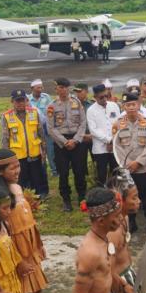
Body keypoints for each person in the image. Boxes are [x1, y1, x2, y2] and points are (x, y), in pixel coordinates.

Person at [0, 149, 48, 293]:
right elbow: (6, 232)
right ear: (0, 171)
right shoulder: (2, 195)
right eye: (12, 167)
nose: (17, 170)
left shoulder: (16, 187)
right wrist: (19, 259)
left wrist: (37, 244)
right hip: (17, 251)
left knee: (37, 287)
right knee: (25, 291)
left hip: (29, 246)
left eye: (18, 165)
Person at [114, 90, 146, 235]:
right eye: (128, 105)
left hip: (144, 167)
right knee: (127, 197)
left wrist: (138, 162)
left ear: (138, 105)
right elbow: (116, 146)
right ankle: (131, 222)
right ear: (123, 107)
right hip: (125, 168)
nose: (131, 107)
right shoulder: (118, 124)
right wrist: (127, 163)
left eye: (133, 104)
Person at [48, 77, 88, 211]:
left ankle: (82, 197)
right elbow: (51, 128)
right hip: (61, 143)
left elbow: (83, 123)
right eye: (60, 87)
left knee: (79, 170)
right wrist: (65, 142)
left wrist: (75, 140)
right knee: (63, 172)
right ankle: (66, 199)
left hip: (77, 141)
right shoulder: (52, 106)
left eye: (65, 87)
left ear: (69, 88)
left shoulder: (76, 102)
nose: (63, 90)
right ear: (56, 89)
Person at [1, 89, 49, 198]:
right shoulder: (7, 116)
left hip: (35, 154)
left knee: (37, 180)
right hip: (17, 158)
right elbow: (5, 139)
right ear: (12, 102)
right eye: (17, 101)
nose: (20, 103)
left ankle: (39, 202)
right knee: (21, 182)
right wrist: (6, 160)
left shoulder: (34, 112)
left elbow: (41, 134)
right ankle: (21, 202)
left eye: (22, 100)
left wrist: (44, 154)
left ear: (26, 100)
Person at [87, 83, 122, 187]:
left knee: (116, 172)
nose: (104, 99)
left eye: (106, 96)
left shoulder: (114, 106)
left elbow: (118, 124)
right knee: (102, 174)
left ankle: (117, 194)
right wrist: (108, 140)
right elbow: (93, 130)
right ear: (95, 97)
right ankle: (103, 197)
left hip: (115, 146)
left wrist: (113, 141)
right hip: (100, 148)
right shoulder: (91, 110)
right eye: (101, 97)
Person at [27, 78, 57, 177]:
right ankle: (41, 171)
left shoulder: (46, 97)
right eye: (38, 88)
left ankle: (54, 171)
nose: (40, 89)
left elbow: (51, 111)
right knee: (37, 152)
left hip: (46, 129)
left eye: (41, 87)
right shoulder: (27, 99)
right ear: (32, 88)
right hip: (34, 130)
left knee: (50, 150)